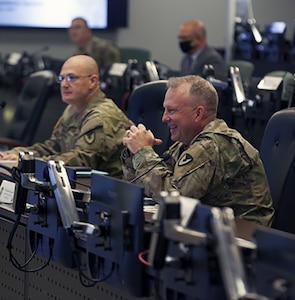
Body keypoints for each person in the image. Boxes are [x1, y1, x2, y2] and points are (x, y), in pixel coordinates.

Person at [121, 75, 274, 226]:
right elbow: (146, 185)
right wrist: (133, 151)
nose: (164, 118)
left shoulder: (212, 145)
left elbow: (174, 199)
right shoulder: (188, 142)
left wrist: (143, 151)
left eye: (171, 111)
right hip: (212, 230)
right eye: (165, 110)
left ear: (198, 113)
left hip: (242, 238)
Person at [0, 55, 133, 178]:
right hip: (81, 186)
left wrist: (30, 162)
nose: (64, 84)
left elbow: (82, 161)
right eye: (61, 78)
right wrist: (18, 154)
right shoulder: (73, 108)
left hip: (110, 194)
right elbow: (53, 146)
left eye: (71, 78)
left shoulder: (102, 116)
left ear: (93, 81)